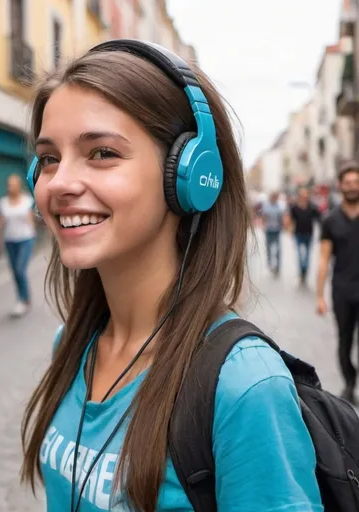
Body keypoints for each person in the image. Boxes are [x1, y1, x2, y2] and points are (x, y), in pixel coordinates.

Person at [20, 41, 323, 511]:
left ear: (188, 174)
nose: (58, 183)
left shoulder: (243, 386)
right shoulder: (71, 344)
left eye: (101, 152)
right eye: (48, 158)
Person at [317, 160, 359, 404]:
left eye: (356, 182)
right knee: (344, 340)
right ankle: (349, 382)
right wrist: (319, 296)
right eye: (348, 183)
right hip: (342, 290)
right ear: (340, 186)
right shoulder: (330, 220)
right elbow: (323, 259)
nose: (352, 186)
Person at [0, 174, 36, 317]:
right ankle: (24, 298)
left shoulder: (27, 201)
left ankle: (22, 300)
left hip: (25, 239)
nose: (10, 187)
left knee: (20, 269)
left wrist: (34, 236)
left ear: (18, 185)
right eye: (8, 184)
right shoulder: (3, 203)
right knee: (15, 272)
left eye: (12, 184)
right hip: (10, 240)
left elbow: (32, 220)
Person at [286, 187, 321, 285]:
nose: (304, 197)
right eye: (302, 195)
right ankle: (301, 270)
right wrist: (289, 229)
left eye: (305, 195)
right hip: (298, 233)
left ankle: (305, 270)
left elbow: (319, 218)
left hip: (309, 234)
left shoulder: (312, 207)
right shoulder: (294, 207)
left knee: (307, 254)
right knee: (300, 254)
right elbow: (291, 219)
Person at [261, 191, 284, 276]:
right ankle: (270, 263)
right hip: (269, 230)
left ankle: (277, 267)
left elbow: (281, 217)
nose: (275, 198)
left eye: (276, 197)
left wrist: (282, 225)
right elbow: (264, 217)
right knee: (269, 248)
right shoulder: (266, 206)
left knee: (278, 249)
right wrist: (263, 226)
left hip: (277, 230)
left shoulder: (279, 206)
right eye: (273, 196)